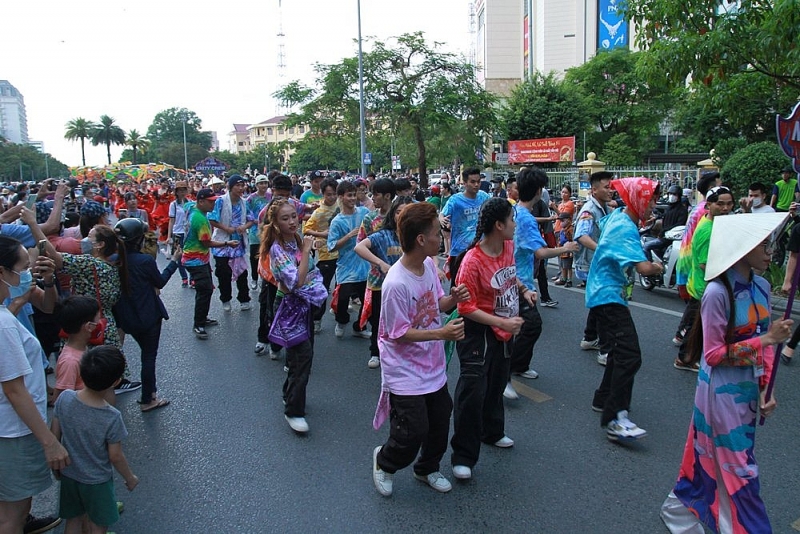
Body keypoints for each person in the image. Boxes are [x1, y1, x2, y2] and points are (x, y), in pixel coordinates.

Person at [660, 212, 791, 534]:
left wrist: (765, 389)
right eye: (763, 244)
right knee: (739, 469)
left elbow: (767, 347)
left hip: (747, 390)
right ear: (741, 248)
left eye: (770, 244)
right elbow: (714, 355)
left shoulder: (762, 287)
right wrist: (767, 338)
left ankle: (679, 511)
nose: (770, 251)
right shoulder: (717, 294)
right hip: (718, 393)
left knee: (711, 458)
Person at [371, 202, 468, 497]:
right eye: (438, 233)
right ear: (421, 240)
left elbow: (436, 305)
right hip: (404, 369)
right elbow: (398, 334)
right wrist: (443, 333)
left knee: (440, 420)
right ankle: (384, 462)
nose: (442, 238)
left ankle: (426, 468)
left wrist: (453, 298)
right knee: (412, 430)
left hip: (431, 364)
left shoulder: (427, 265)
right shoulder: (396, 284)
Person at [449, 198, 529, 480]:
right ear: (498, 225)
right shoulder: (472, 261)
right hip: (477, 331)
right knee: (473, 389)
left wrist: (523, 290)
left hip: (503, 327)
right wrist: (501, 321)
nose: (515, 225)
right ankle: (463, 455)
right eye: (511, 220)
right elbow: (465, 308)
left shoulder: (507, 246)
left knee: (497, 381)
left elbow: (509, 275)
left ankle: (492, 431)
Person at [0, 235, 70, 534]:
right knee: (14, 514)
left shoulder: (6, 312)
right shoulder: (3, 324)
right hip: (14, 429)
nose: (26, 274)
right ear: (2, 272)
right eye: (22, 267)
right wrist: (49, 441)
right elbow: (14, 389)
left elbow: (47, 305)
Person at [586, 178, 663, 441]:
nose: (653, 204)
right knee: (630, 355)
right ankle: (616, 418)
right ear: (638, 199)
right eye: (650, 198)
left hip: (606, 292)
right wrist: (657, 267)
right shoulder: (623, 226)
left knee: (621, 352)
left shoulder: (620, 216)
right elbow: (643, 268)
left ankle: (603, 398)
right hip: (607, 294)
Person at [504, 170, 578, 401]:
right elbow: (541, 252)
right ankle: (505, 375)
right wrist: (567, 248)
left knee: (524, 327)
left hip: (515, 279)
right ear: (538, 191)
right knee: (521, 328)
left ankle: (518, 366)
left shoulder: (518, 211)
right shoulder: (523, 217)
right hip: (518, 282)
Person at [51, 346, 139, 534]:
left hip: (69, 473)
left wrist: (56, 466)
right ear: (115, 382)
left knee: (73, 519)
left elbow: (55, 436)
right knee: (99, 523)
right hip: (97, 481)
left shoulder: (65, 398)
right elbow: (115, 456)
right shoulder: (111, 416)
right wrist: (129, 477)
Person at [263, 199, 328, 434]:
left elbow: (309, 270)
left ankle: (289, 394)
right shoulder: (277, 248)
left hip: (306, 303)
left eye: (293, 216)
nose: (292, 221)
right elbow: (296, 281)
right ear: (276, 223)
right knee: (303, 356)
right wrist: (306, 250)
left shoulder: (298, 240)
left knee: (298, 356)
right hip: (290, 305)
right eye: (285, 218)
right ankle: (293, 410)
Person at [113, 218, 181, 412]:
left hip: (127, 318)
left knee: (146, 354)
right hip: (148, 317)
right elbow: (160, 282)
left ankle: (148, 395)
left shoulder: (115, 261)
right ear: (139, 239)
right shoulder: (144, 261)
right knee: (148, 357)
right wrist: (174, 261)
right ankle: (148, 398)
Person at [675, 186, 735, 371]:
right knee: (696, 329)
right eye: (720, 204)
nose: (725, 208)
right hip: (703, 288)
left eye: (729, 204)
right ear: (709, 205)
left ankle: (688, 355)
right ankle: (685, 359)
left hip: (702, 287)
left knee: (698, 326)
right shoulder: (707, 230)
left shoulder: (711, 221)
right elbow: (704, 264)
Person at [355, 196, 414, 369]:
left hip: (409, 288)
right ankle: (376, 352)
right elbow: (359, 247)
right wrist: (380, 263)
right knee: (380, 320)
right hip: (381, 286)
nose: (402, 216)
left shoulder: (416, 236)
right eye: (398, 212)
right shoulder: (383, 235)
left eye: (407, 212)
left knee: (406, 321)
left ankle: (404, 352)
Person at [182, 189, 238, 340]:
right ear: (200, 201)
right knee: (204, 290)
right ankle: (198, 324)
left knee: (206, 290)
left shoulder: (192, 208)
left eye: (214, 200)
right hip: (195, 260)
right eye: (210, 201)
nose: (213, 203)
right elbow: (207, 242)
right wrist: (227, 243)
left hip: (198, 258)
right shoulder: (200, 220)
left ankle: (202, 318)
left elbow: (186, 204)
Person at [575, 171, 613, 357]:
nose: (610, 190)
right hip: (592, 263)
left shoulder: (604, 207)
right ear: (594, 189)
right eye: (606, 187)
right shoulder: (589, 210)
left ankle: (590, 337)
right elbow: (581, 236)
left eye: (611, 186)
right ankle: (605, 352)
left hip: (598, 263)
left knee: (598, 303)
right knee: (605, 305)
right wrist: (601, 250)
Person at [327, 181, 371, 339]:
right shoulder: (337, 221)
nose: (353, 198)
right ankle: (341, 320)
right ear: (341, 197)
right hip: (346, 266)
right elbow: (331, 246)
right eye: (349, 195)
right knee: (343, 298)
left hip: (365, 265)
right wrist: (348, 236)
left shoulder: (364, 212)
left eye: (354, 195)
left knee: (367, 300)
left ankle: (359, 327)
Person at [208, 174, 255, 312]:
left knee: (242, 272)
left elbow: (251, 219)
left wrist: (244, 227)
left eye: (242, 185)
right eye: (238, 186)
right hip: (222, 241)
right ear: (230, 187)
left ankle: (244, 299)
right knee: (223, 272)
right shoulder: (220, 201)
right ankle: (226, 298)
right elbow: (212, 219)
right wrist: (226, 228)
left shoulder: (244, 202)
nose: (241, 188)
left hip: (238, 241)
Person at [301, 178, 340, 336]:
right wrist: (321, 234)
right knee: (323, 287)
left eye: (334, 194)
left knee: (343, 287)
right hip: (326, 253)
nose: (332, 197)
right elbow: (306, 230)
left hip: (344, 252)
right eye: (329, 194)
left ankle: (340, 316)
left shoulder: (342, 207)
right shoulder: (318, 212)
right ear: (323, 194)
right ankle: (317, 318)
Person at [439, 168, 490, 281]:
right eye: (472, 182)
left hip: (480, 250)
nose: (476, 185)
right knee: (458, 285)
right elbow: (442, 214)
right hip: (460, 251)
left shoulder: (484, 197)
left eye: (478, 181)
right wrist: (442, 219)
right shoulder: (455, 200)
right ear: (465, 183)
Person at [50, 296, 100, 406]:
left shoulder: (82, 349)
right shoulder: (70, 361)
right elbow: (61, 400)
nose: (101, 323)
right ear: (89, 326)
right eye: (98, 320)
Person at [643, 184, 689, 262]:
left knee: (646, 246)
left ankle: (650, 268)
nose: (671, 196)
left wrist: (664, 231)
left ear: (679, 196)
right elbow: (664, 215)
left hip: (669, 238)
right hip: (664, 235)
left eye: (674, 194)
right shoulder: (669, 207)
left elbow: (679, 225)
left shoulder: (682, 210)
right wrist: (655, 217)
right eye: (670, 194)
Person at [167, 180, 192, 288]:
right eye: (180, 190)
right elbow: (171, 220)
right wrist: (169, 236)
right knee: (179, 256)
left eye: (184, 190)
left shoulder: (190, 203)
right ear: (176, 192)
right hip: (177, 232)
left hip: (187, 232)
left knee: (190, 255)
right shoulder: (173, 205)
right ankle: (184, 278)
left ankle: (193, 278)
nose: (182, 193)